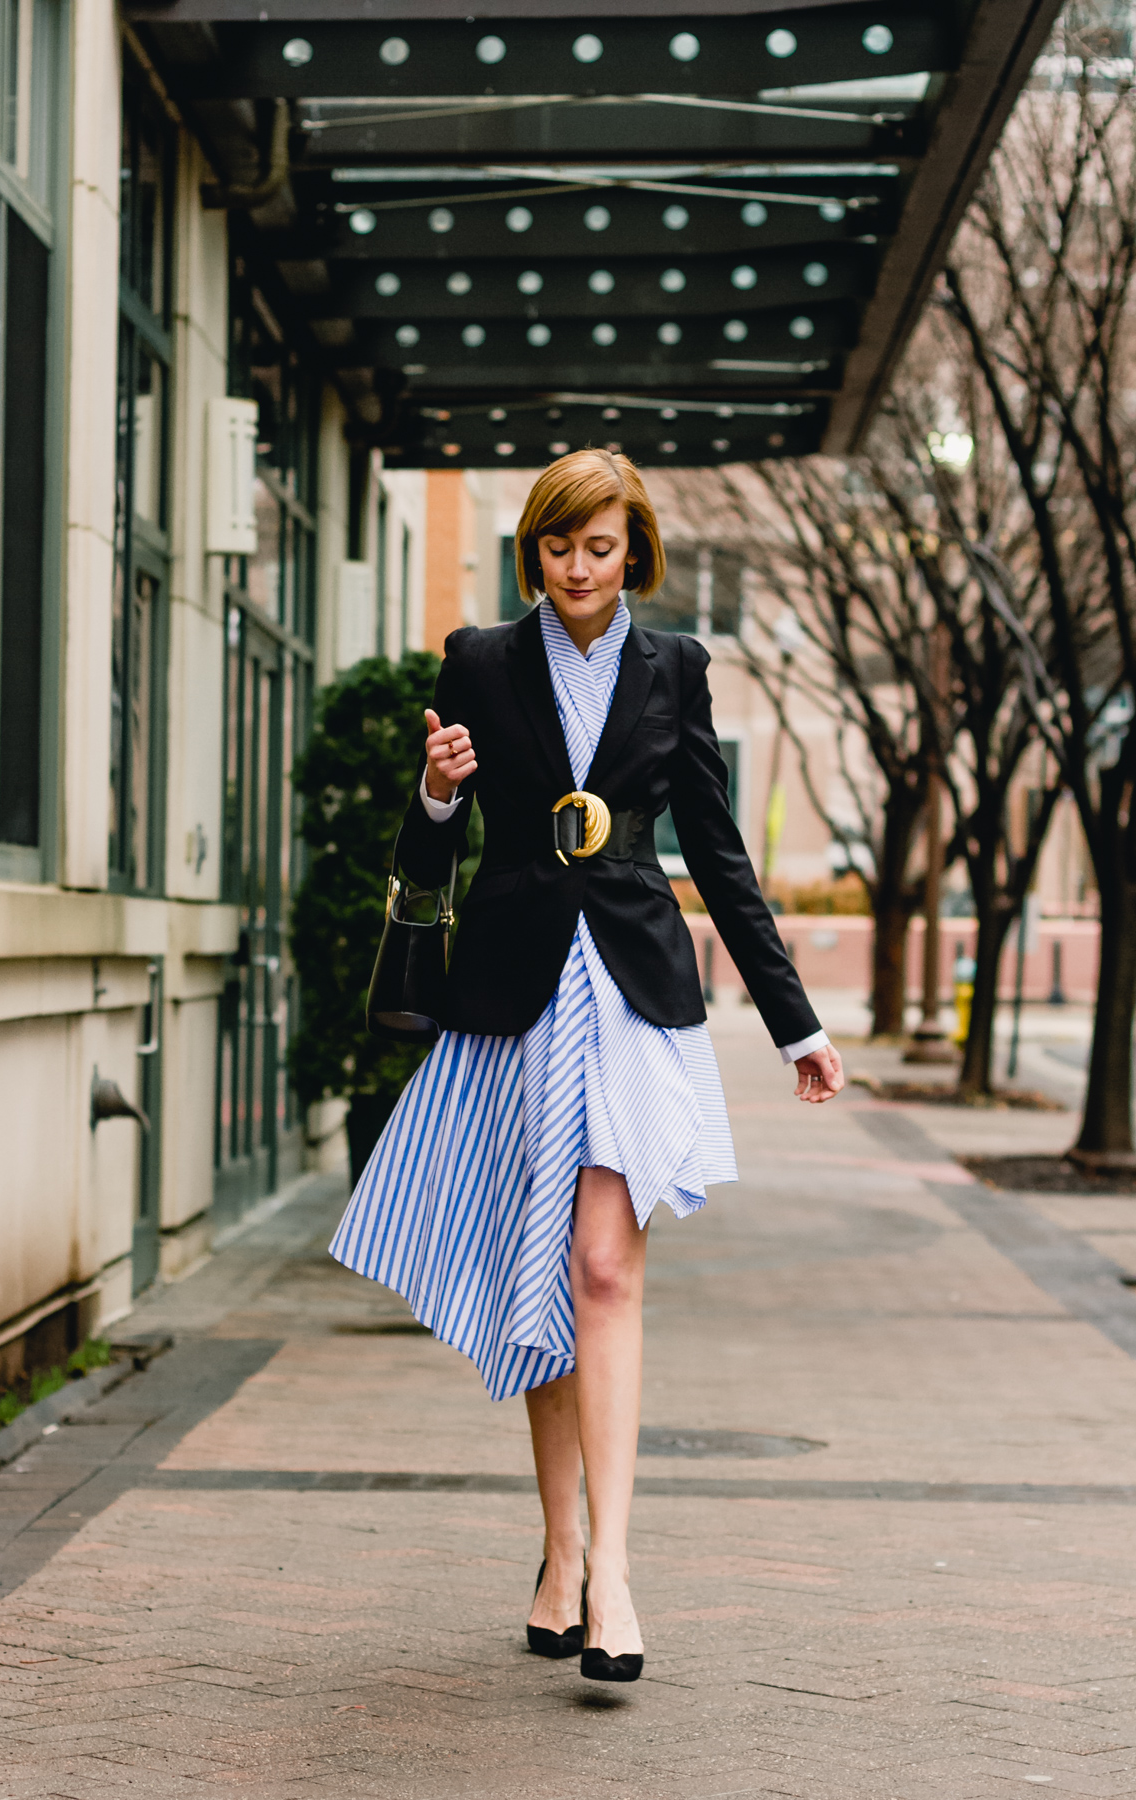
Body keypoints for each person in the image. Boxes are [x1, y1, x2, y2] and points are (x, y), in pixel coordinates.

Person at [330, 448, 843, 1682]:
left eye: (600, 547)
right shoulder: (478, 661)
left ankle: (612, 1571)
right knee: (542, 1271)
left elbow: (717, 855)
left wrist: (797, 1023)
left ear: (636, 551)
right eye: (559, 546)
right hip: (514, 997)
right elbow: (430, 850)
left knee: (603, 1265)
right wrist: (439, 794)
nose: (578, 568)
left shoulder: (676, 669)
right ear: (536, 551)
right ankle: (559, 1549)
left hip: (629, 995)